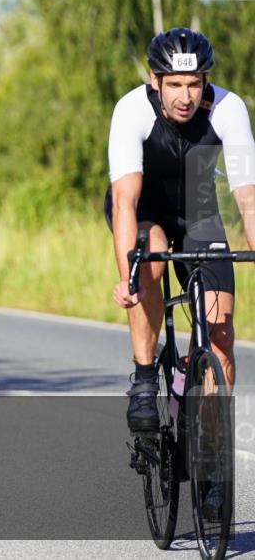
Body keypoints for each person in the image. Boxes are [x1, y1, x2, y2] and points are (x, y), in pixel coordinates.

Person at [105, 28, 255, 436]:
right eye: (174, 84)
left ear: (205, 80)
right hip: (144, 209)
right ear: (155, 80)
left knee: (221, 332)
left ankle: (211, 445)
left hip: (198, 210)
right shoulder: (131, 110)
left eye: (193, 84)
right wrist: (127, 276)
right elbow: (124, 202)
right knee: (148, 258)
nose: (185, 97)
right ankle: (144, 377)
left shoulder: (228, 108)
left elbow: (247, 198)